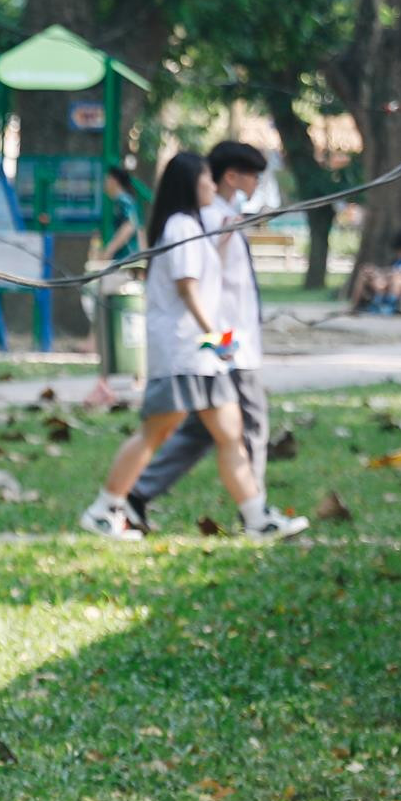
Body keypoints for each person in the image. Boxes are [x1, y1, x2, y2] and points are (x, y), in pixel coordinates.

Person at [78, 151, 308, 542]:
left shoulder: (195, 226)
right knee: (156, 433)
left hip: (202, 354)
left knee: (230, 432)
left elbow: (208, 275)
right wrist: (218, 340)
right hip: (184, 351)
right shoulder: (181, 225)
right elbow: (188, 289)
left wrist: (225, 237)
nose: (211, 186)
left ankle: (257, 518)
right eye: (205, 180)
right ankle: (105, 508)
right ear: (191, 184)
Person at [125, 141, 271, 533]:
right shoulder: (199, 221)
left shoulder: (221, 218)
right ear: (230, 177)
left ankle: (135, 496)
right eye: (252, 173)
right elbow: (194, 287)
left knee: (208, 430)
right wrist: (219, 340)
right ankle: (255, 513)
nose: (257, 182)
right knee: (244, 426)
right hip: (223, 344)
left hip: (225, 343)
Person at [88, 164, 146, 406]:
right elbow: (140, 230)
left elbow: (130, 226)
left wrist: (108, 251)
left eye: (106, 179)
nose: (104, 184)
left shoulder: (122, 200)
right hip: (130, 263)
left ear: (114, 180)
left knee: (110, 308)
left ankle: (112, 374)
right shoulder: (128, 200)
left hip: (120, 263)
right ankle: (135, 373)